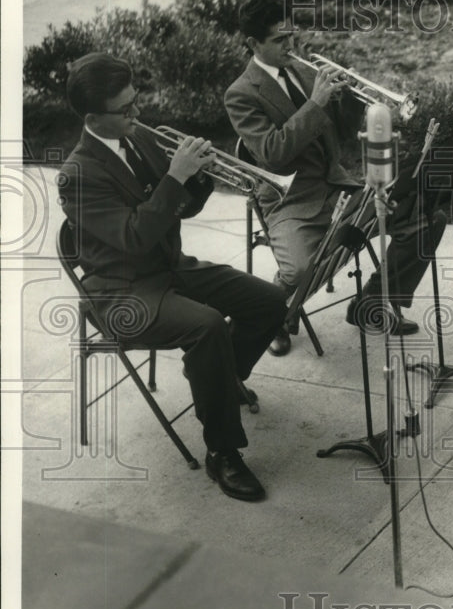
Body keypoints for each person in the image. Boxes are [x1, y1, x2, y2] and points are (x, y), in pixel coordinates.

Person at [57, 53, 287, 502]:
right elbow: (135, 236)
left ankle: (219, 381)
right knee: (206, 328)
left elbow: (178, 210)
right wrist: (174, 176)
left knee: (270, 303)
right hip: (121, 292)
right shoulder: (76, 176)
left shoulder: (139, 137)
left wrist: (196, 177)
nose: (137, 114)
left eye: (135, 102)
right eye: (125, 110)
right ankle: (223, 452)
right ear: (91, 119)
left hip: (169, 268)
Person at [225, 0, 447, 355]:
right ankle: (273, 311)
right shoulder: (240, 94)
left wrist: (350, 101)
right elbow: (273, 154)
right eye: (280, 40)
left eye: (292, 35)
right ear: (253, 44)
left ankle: (370, 303)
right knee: (299, 271)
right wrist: (315, 104)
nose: (291, 45)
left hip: (337, 188)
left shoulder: (305, 71)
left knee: (428, 218)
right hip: (290, 201)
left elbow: (341, 138)